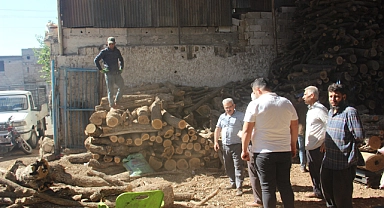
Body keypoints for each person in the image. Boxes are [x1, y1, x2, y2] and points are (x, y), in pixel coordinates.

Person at [241, 78, 298, 208]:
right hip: (284, 150)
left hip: (263, 152)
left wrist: (244, 150)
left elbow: (246, 130)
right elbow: (294, 126)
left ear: (258, 90)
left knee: (267, 187)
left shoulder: (255, 104)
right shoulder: (286, 103)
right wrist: (292, 145)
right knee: (285, 185)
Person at [321, 83, 365, 208]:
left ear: (343, 97)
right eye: (331, 96)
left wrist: (347, 148)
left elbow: (359, 136)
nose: (333, 100)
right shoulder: (330, 112)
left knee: (342, 199)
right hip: (328, 161)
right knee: (328, 195)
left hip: (343, 164)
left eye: (337, 96)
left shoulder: (349, 112)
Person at [214, 98, 245, 196]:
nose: (228, 109)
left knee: (238, 165)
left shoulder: (240, 116)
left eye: (230, 107)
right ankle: (233, 183)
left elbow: (246, 129)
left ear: (234, 106)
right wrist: (215, 142)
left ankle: (239, 186)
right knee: (228, 165)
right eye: (226, 108)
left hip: (237, 144)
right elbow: (217, 129)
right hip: (225, 145)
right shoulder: (222, 117)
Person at [302, 86, 328, 199]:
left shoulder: (320, 110)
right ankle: (317, 191)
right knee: (313, 169)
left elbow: (329, 124)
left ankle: (325, 193)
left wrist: (326, 142)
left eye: (305, 94)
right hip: (310, 145)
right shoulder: (311, 109)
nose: (303, 97)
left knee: (320, 171)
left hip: (319, 146)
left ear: (312, 95)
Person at [94, 37, 125, 109]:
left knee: (122, 87)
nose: (111, 45)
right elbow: (96, 60)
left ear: (115, 44)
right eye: (110, 44)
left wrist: (121, 67)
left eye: (112, 44)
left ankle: (117, 101)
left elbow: (121, 59)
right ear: (107, 44)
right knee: (110, 90)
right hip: (109, 74)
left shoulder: (117, 51)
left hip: (116, 73)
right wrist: (100, 69)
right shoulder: (104, 52)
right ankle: (112, 105)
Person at [245, 93, 263, 207]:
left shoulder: (253, 107)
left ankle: (259, 200)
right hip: (270, 147)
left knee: (254, 174)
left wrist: (244, 149)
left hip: (255, 146)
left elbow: (248, 131)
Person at [294, 96, 308, 173]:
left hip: (300, 130)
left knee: (301, 149)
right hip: (309, 130)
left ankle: (302, 165)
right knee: (308, 148)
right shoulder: (309, 106)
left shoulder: (297, 107)